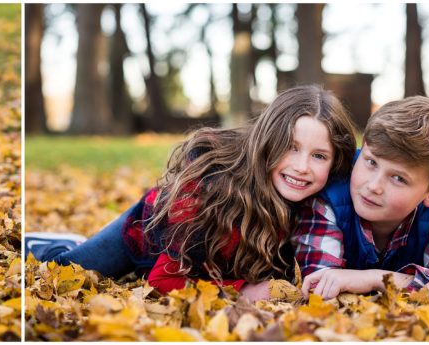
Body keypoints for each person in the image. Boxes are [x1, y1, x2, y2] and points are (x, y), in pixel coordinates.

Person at [27, 85, 357, 301]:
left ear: (334, 161)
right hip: (148, 236)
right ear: (267, 142)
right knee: (67, 270)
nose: (302, 167)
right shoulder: (213, 187)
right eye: (291, 147)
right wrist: (245, 292)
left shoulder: (321, 202)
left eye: (319, 156)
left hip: (207, 262)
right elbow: (163, 283)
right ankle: (53, 243)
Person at [294, 96, 429, 301]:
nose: (373, 186)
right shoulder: (331, 196)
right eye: (371, 162)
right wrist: (417, 287)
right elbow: (318, 284)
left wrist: (377, 279)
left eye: (398, 178)